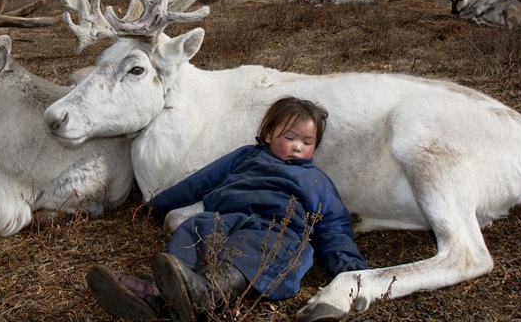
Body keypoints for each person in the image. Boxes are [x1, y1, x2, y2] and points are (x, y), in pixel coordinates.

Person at [86, 97, 368, 321]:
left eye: (307, 142)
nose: (297, 147)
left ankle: (210, 293)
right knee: (192, 229)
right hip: (224, 218)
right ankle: (160, 293)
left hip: (276, 230)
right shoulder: (245, 156)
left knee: (259, 248)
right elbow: (200, 182)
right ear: (269, 134)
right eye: (290, 137)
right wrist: (155, 207)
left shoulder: (316, 180)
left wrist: (352, 270)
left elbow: (334, 226)